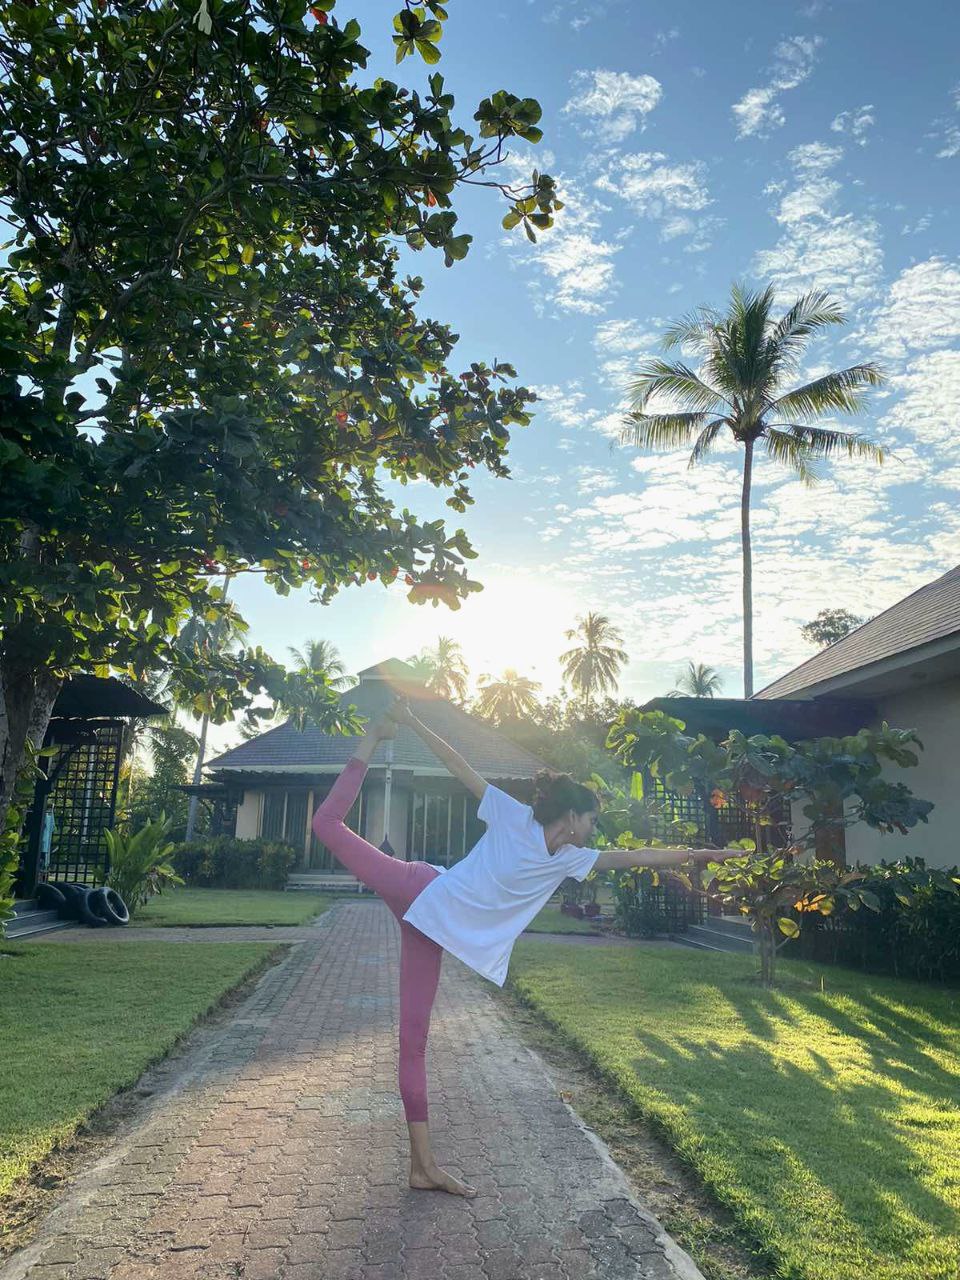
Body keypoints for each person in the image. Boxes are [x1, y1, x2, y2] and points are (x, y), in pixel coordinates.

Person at [311, 696, 734, 1198]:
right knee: (326, 828)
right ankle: (370, 738)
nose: (594, 832)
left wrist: (701, 853)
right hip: (419, 890)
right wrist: (408, 721)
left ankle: (422, 1167)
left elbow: (637, 855)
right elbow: (457, 765)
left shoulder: (568, 860)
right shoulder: (513, 818)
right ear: (573, 815)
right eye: (593, 821)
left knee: (414, 1044)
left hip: (429, 930)